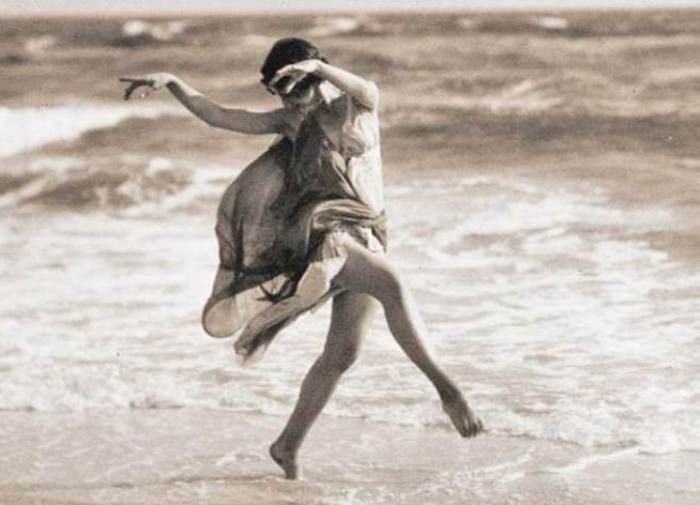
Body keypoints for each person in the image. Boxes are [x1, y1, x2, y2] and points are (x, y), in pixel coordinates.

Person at [120, 37, 482, 480]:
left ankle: (286, 445)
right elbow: (219, 115)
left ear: (315, 74)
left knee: (342, 354)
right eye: (279, 91)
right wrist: (173, 81)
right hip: (326, 231)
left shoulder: (358, 105)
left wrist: (318, 70)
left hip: (369, 234)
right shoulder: (290, 121)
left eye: (295, 87)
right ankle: (448, 391)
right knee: (393, 286)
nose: (288, 99)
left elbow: (367, 87)